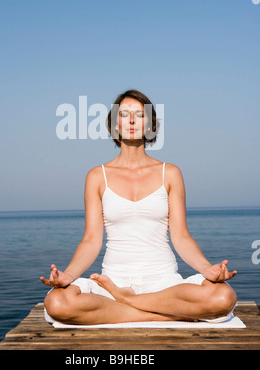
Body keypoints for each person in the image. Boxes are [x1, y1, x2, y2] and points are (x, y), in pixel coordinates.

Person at [40, 89, 237, 325]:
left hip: (164, 282)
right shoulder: (96, 176)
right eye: (123, 114)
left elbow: (181, 236)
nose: (132, 120)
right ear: (114, 125)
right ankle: (159, 314)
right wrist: (68, 276)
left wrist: (208, 269)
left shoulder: (170, 173)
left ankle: (124, 303)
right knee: (57, 303)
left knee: (224, 297)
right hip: (113, 280)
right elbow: (92, 239)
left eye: (139, 114)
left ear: (150, 125)